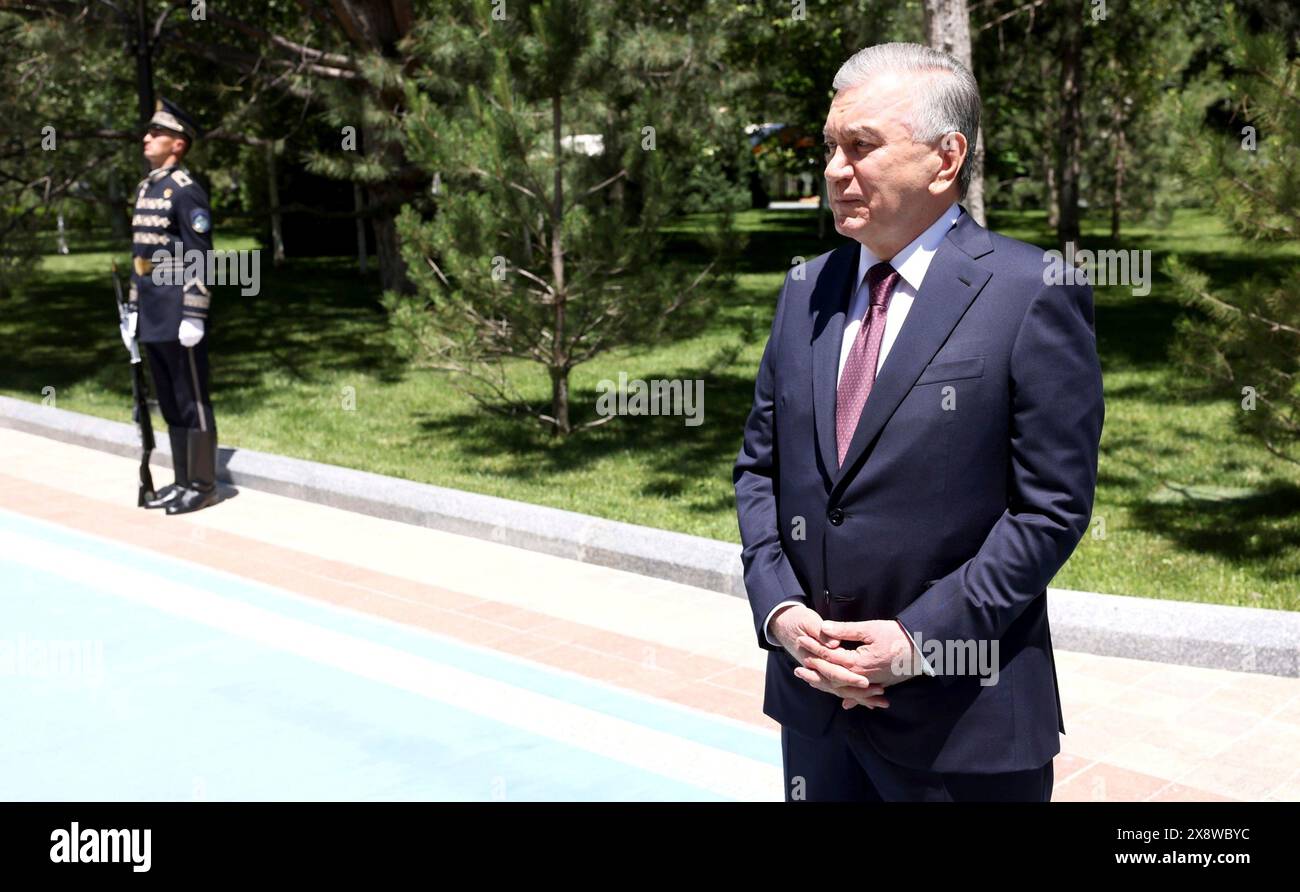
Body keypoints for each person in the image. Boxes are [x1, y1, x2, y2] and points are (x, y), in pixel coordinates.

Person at [733, 42, 1104, 802]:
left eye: (861, 147)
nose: (835, 169)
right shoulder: (803, 290)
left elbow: (1049, 510)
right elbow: (760, 471)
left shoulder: (1031, 291)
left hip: (961, 728)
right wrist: (781, 613)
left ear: (945, 159)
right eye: (832, 146)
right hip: (817, 711)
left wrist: (913, 643)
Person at [120, 97, 219, 515]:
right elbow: (141, 255)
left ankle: (203, 484)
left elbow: (201, 254)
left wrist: (194, 312)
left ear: (178, 144)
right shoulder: (148, 187)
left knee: (191, 397)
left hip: (179, 310)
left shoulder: (185, 191)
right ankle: (181, 482)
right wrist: (133, 308)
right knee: (169, 399)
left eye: (156, 133)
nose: (147, 138)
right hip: (154, 313)